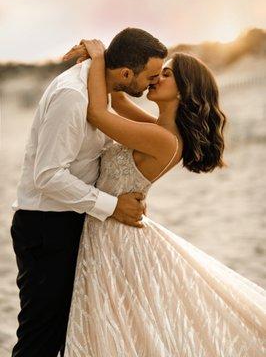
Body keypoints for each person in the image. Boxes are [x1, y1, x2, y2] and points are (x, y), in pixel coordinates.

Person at [63, 39, 266, 357]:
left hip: (113, 233)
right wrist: (116, 59)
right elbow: (117, 100)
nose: (157, 78)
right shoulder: (160, 129)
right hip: (112, 222)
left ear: (184, 90)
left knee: (108, 325)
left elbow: (97, 112)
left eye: (167, 74)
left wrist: (100, 56)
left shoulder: (162, 138)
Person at [10, 28, 168, 357]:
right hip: (46, 226)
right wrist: (112, 206)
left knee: (68, 334)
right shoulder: (73, 95)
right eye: (151, 76)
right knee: (40, 338)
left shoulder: (104, 91)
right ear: (126, 73)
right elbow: (49, 175)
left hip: (72, 221)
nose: (152, 83)